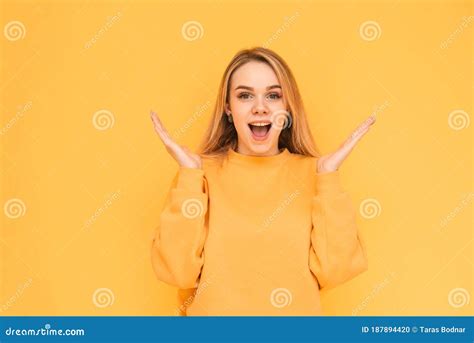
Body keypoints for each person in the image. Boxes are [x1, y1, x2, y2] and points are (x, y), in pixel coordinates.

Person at [150, 47, 376, 316]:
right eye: (245, 96)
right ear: (228, 109)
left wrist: (328, 177)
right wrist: (189, 177)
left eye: (273, 95)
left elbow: (335, 272)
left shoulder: (315, 175)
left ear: (287, 107)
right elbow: (178, 273)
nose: (260, 108)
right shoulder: (198, 174)